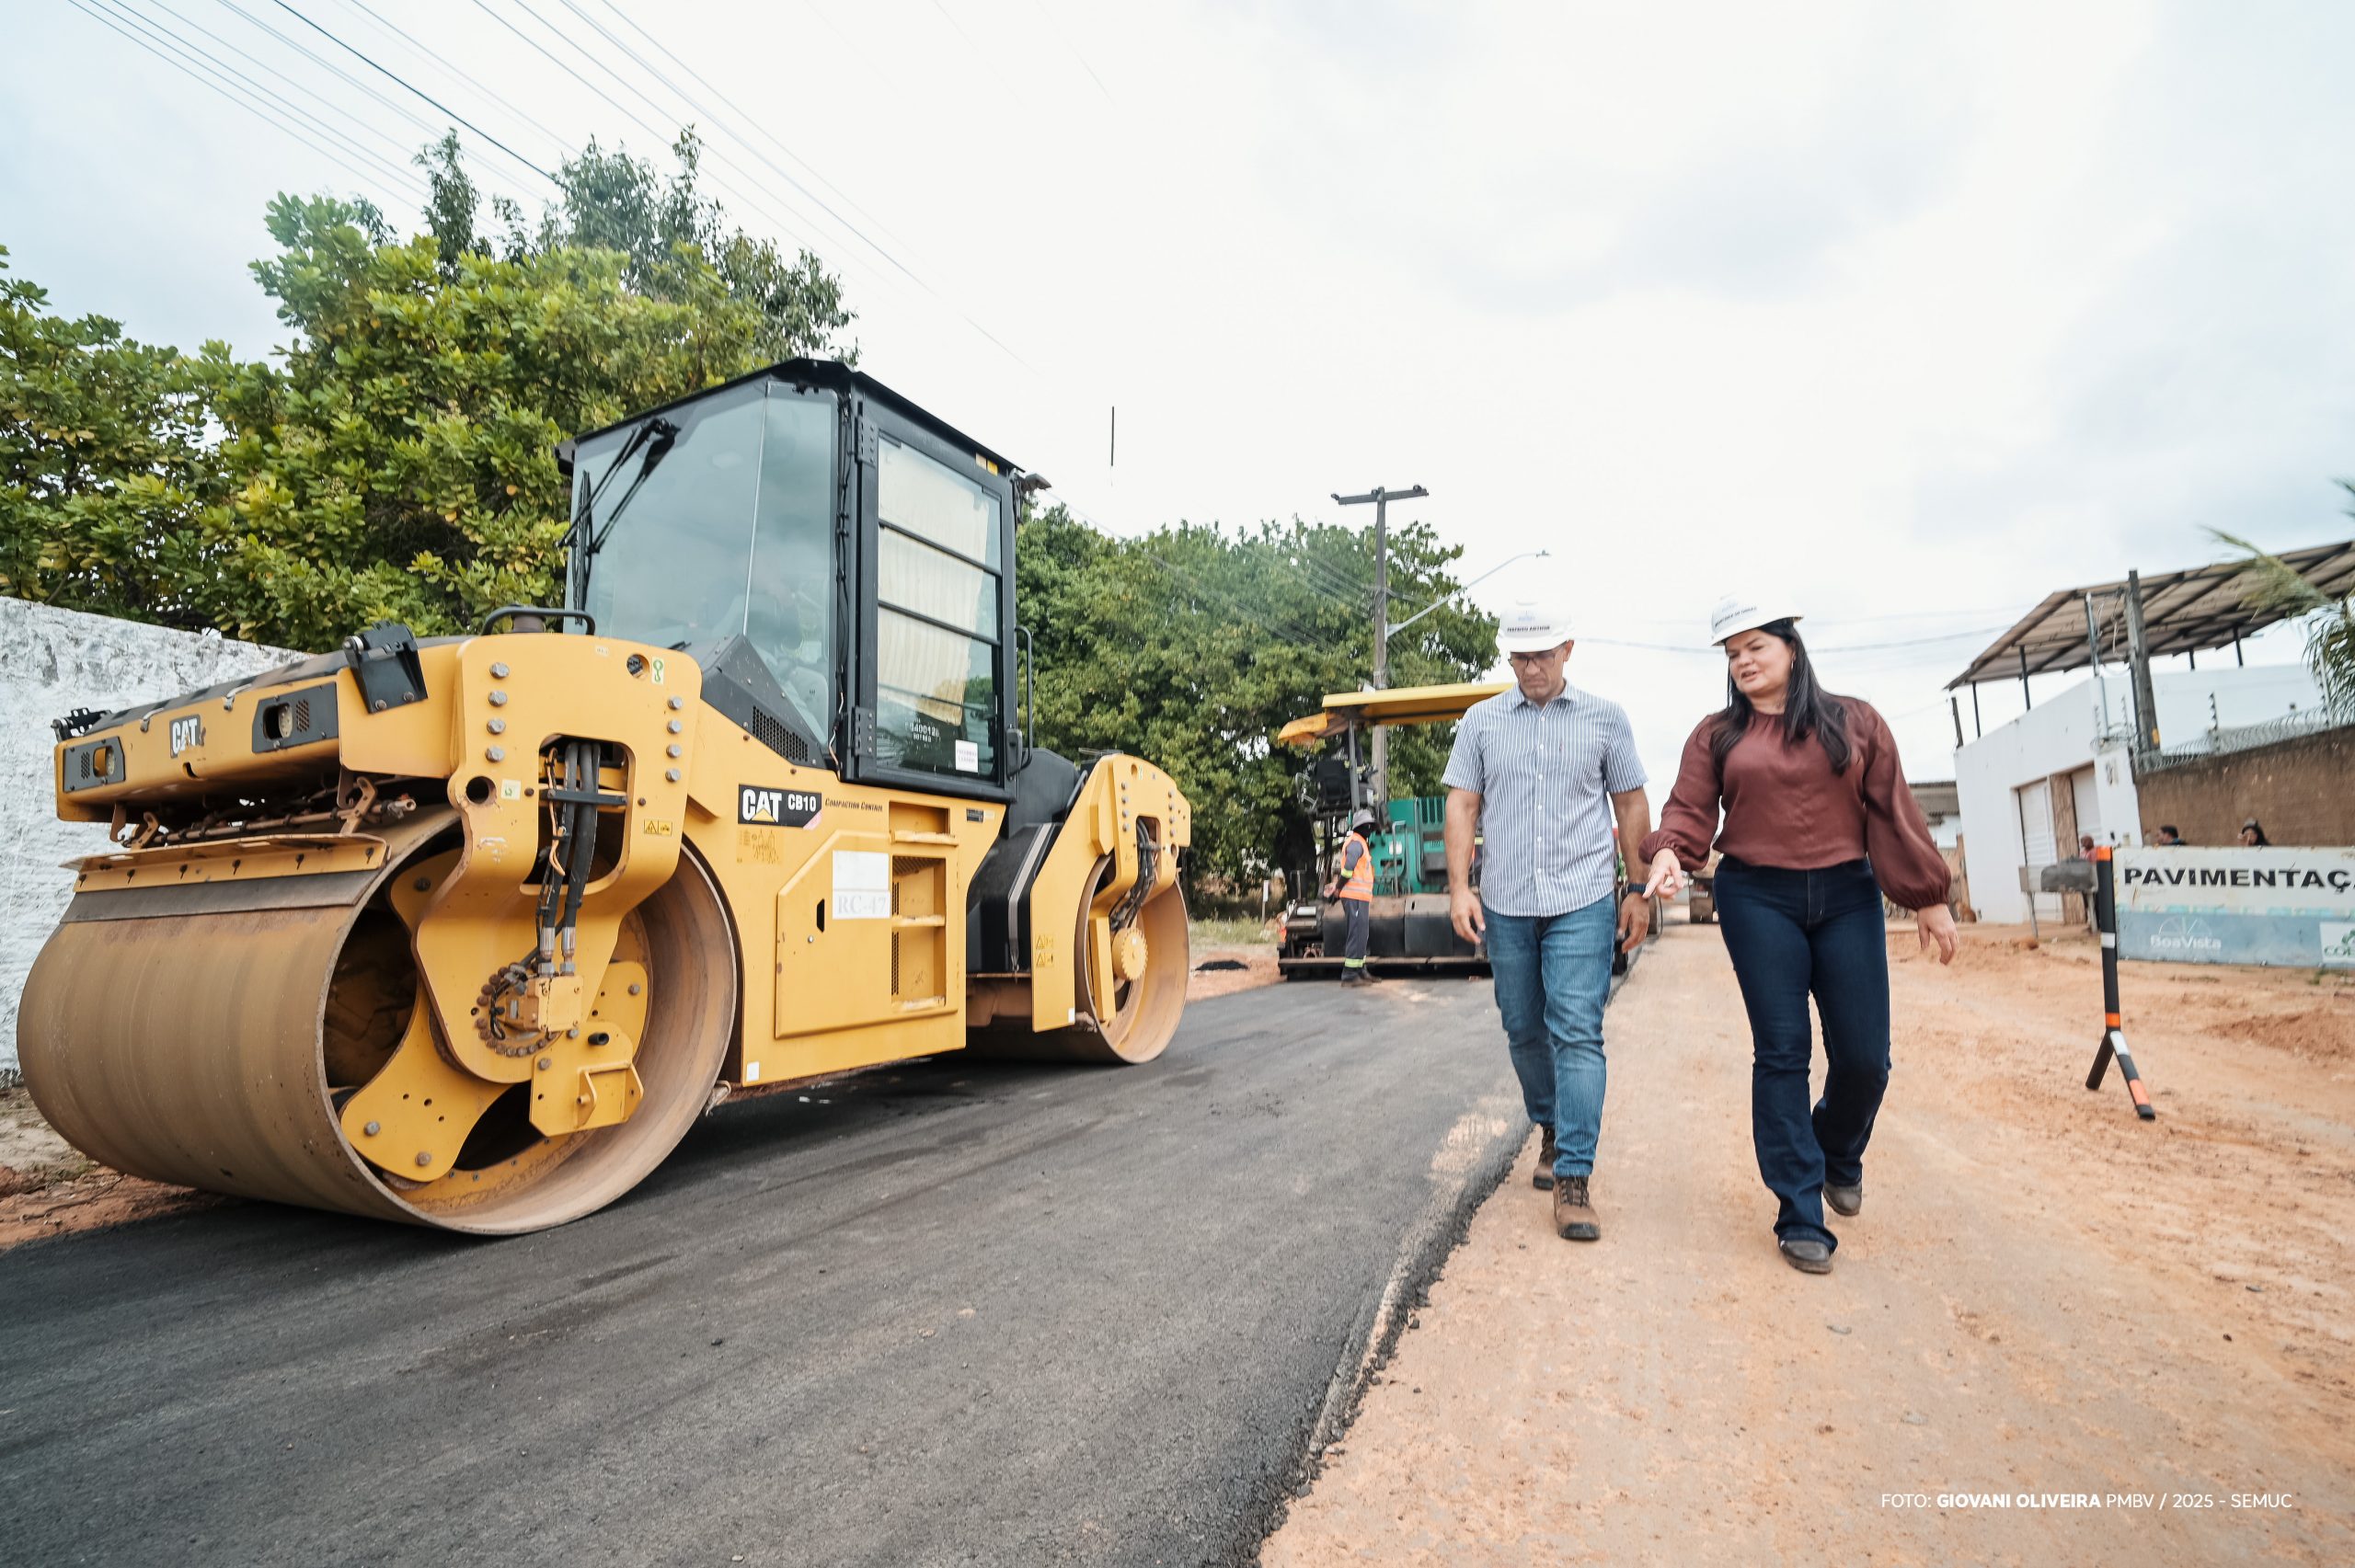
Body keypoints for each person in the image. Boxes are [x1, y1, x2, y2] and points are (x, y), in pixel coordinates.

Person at [1639, 593, 1959, 1276]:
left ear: (1791, 647)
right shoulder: (1717, 735)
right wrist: (1668, 853)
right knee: (1783, 1051)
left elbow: (1892, 810)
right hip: (1757, 897)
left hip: (1847, 895)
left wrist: (1928, 896)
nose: (1743, 661)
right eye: (1733, 653)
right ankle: (1800, 1212)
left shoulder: (1855, 721)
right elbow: (1689, 809)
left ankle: (1837, 1151)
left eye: (1756, 646)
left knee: (1866, 1058)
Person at [1443, 599, 1655, 1242]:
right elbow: (1463, 803)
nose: (1530, 667)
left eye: (1541, 655)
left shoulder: (1604, 719)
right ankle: (1552, 1124)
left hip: (1581, 899)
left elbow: (1631, 802)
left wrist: (1638, 889)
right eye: (1519, 657)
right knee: (1523, 1026)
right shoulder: (1481, 723)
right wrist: (1460, 889)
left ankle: (1574, 1177)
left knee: (1578, 1031)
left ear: (1567, 650)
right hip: (1506, 901)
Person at [1323, 809, 1380, 985]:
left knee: (1362, 934)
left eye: (1370, 825)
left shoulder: (1361, 843)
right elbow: (1348, 869)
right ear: (1359, 827)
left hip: (1361, 897)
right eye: (1367, 825)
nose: (1370, 829)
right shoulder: (1355, 843)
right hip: (1353, 897)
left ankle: (1360, 970)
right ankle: (1349, 975)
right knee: (1355, 933)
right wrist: (1339, 888)